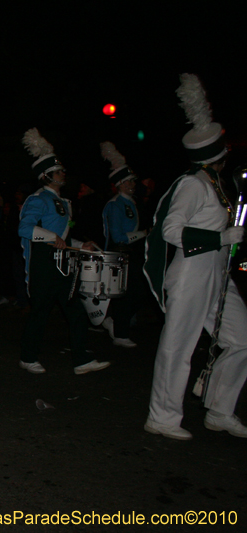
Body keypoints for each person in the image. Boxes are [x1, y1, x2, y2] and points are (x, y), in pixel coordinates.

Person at [143, 74, 247, 440]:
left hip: (217, 274)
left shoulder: (216, 185)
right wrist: (220, 237)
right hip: (190, 275)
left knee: (242, 337)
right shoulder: (193, 185)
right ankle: (163, 416)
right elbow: (171, 230)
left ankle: (219, 409)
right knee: (178, 346)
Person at [18, 128, 110, 375]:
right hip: (44, 263)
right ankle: (27, 357)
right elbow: (25, 228)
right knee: (39, 312)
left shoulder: (63, 202)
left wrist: (81, 245)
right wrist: (51, 237)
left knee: (75, 311)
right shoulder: (38, 199)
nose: (63, 174)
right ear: (47, 176)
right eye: (59, 171)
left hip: (63, 262)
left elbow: (65, 236)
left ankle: (81, 360)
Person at [100, 142, 147, 348]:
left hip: (133, 254)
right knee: (126, 295)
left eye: (132, 181)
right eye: (127, 181)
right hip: (121, 254)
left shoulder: (131, 202)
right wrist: (142, 234)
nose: (132, 184)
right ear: (119, 184)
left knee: (139, 293)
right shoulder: (115, 205)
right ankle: (120, 332)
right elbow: (118, 236)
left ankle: (118, 325)